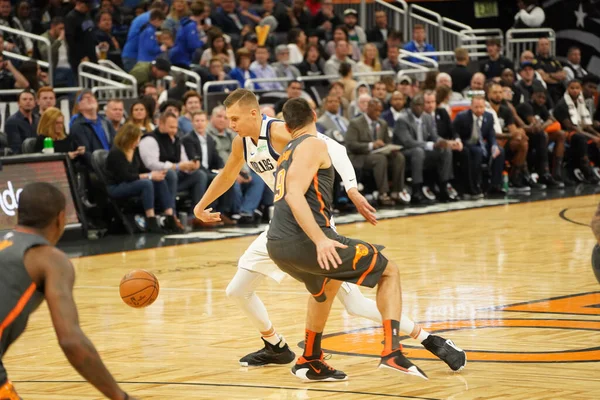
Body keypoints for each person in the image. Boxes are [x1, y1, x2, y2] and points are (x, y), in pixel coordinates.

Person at [193, 89, 466, 371]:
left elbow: (334, 149)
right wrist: (201, 206)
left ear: (254, 113)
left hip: (315, 229)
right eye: (228, 119)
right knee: (237, 290)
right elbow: (227, 174)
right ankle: (275, 345)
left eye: (235, 118)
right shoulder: (241, 143)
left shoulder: (279, 131)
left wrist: (351, 187)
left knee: (355, 305)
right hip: (281, 226)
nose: (231, 124)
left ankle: (429, 339)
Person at [266, 97, 427, 382]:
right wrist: (319, 240)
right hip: (305, 239)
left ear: (287, 126)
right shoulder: (314, 143)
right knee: (389, 271)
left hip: (277, 245)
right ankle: (392, 352)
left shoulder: (285, 151)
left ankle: (310, 359)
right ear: (314, 115)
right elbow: (293, 194)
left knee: (327, 286)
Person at [0, 182, 138, 400]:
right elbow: (71, 340)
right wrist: (120, 396)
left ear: (17, 214)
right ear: (61, 218)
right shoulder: (49, 259)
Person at [106, 123, 176, 233]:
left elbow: (141, 169)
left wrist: (155, 174)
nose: (138, 142)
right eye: (136, 139)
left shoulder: (134, 151)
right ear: (127, 138)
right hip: (116, 186)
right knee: (146, 183)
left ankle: (170, 217)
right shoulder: (116, 153)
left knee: (158, 180)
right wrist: (149, 176)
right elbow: (125, 176)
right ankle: (151, 220)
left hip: (130, 183)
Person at [394, 92, 461, 203]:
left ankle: (444, 187)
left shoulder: (428, 117)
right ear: (411, 106)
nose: (419, 107)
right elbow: (408, 142)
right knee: (418, 151)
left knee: (446, 150)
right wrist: (431, 145)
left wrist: (443, 142)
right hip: (406, 152)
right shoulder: (403, 119)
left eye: (421, 104)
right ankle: (417, 191)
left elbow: (434, 136)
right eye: (416, 105)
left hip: (423, 150)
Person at [453, 97, 505, 196]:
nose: (479, 110)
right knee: (477, 151)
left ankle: (495, 185)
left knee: (500, 151)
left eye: (481, 107)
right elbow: (454, 131)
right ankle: (475, 186)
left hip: (481, 144)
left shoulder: (489, 116)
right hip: (467, 143)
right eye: (476, 107)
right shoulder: (462, 116)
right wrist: (457, 140)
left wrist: (494, 145)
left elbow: (491, 135)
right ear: (471, 107)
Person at [5, 90, 39, 154]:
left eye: (31, 99)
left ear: (35, 103)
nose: (28, 101)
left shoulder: (38, 120)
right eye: (24, 99)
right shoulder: (12, 121)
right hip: (21, 159)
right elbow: (15, 147)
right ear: (18, 103)